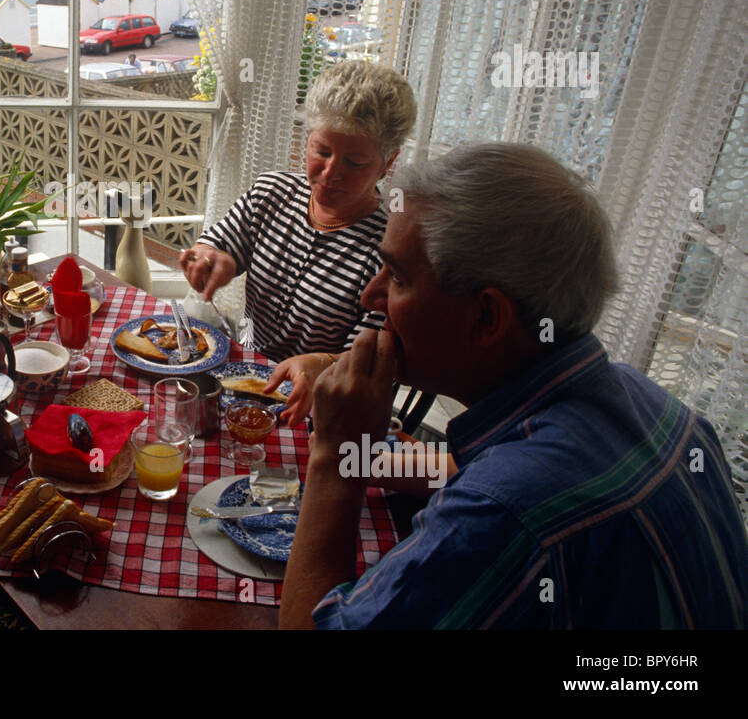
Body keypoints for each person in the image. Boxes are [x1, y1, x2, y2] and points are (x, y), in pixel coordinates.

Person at [279, 143, 748, 629]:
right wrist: (369, 457)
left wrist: (337, 457)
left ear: (486, 317)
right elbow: (476, 462)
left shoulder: (503, 514)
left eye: (396, 276)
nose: (369, 295)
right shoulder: (652, 403)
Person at [179, 60, 416, 421]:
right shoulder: (272, 193)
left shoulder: (389, 248)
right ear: (306, 141)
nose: (330, 173)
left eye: (354, 162)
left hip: (320, 407)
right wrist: (212, 257)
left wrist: (321, 364)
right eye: (321, 151)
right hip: (243, 381)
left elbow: (371, 355)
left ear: (388, 163)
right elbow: (217, 244)